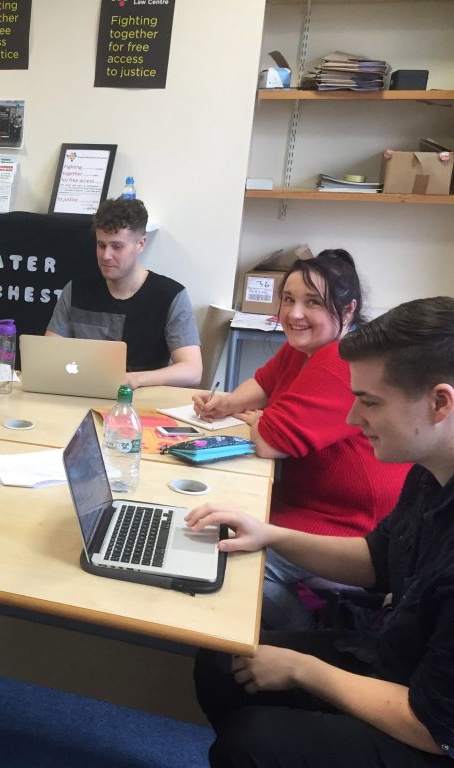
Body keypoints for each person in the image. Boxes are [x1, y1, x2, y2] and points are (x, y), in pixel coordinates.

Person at [187, 296, 454, 767]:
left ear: (439, 403)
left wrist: (304, 670)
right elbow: (377, 558)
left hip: (430, 728)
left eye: (369, 403)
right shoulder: (430, 472)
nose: (353, 419)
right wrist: (270, 535)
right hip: (397, 660)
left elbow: (435, 726)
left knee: (254, 742)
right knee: (223, 663)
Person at [192, 250, 410, 630]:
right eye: (288, 299)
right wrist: (226, 403)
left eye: (312, 303)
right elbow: (262, 384)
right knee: (217, 522)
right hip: (309, 500)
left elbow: (271, 441)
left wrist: (264, 422)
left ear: (348, 310)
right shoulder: (304, 349)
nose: (293, 314)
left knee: (232, 565)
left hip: (349, 524)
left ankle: (299, 641)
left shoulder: (340, 359)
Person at [45, 197, 201, 388]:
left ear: (141, 244)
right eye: (101, 245)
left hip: (143, 403)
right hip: (82, 395)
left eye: (117, 246)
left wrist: (134, 379)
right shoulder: (76, 290)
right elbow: (49, 355)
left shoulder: (171, 295)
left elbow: (192, 370)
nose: (106, 255)